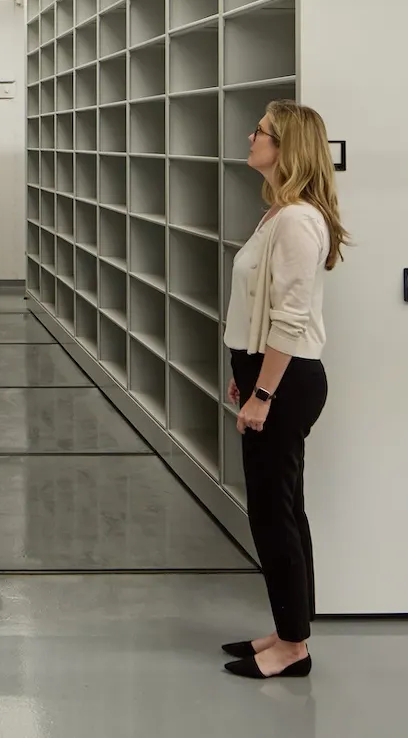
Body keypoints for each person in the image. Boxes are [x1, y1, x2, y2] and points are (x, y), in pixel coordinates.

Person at [221, 99, 347, 680]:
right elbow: (258, 307)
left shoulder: (296, 220)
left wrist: (262, 394)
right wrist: (243, 374)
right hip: (268, 374)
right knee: (283, 510)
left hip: (287, 382)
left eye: (263, 132)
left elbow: (291, 321)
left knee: (275, 516)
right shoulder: (279, 213)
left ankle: (294, 647)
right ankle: (288, 628)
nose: (252, 136)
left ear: (286, 147)